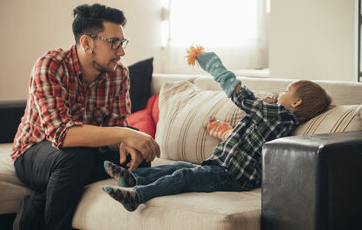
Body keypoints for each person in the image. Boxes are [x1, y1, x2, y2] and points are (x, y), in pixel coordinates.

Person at [101, 47, 332, 212]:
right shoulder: (275, 121)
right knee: (179, 166)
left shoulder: (277, 115)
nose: (282, 92)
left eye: (287, 89)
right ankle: (131, 177)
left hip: (231, 175)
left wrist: (214, 65)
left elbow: (241, 95)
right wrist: (220, 129)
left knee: (183, 175)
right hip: (223, 168)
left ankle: (137, 196)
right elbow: (245, 138)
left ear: (296, 102)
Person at [11, 3, 160, 230]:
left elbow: (116, 129)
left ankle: (39, 202)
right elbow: (61, 135)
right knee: (75, 157)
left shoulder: (119, 74)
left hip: (82, 153)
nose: (121, 52)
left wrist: (127, 141)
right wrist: (124, 134)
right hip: (33, 152)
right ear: (87, 43)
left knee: (138, 154)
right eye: (114, 43)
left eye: (122, 43)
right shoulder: (50, 66)